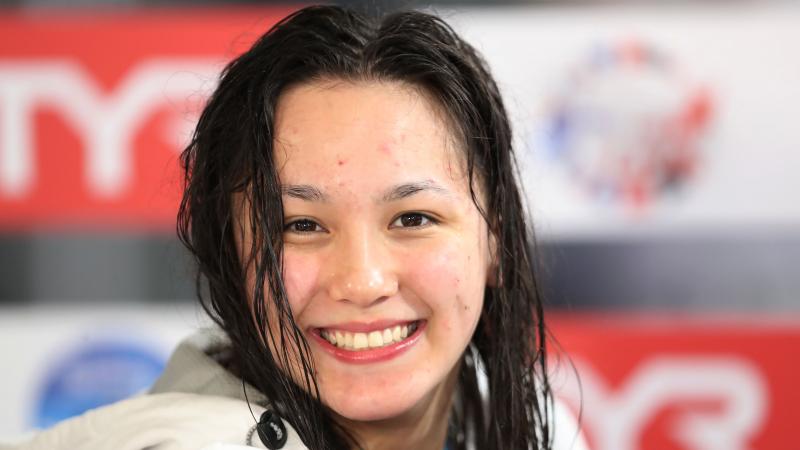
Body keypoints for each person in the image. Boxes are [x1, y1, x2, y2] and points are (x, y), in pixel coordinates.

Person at [11, 5, 587, 450]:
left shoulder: (536, 421)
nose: (362, 281)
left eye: (413, 218)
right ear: (228, 253)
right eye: (301, 225)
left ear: (496, 240)